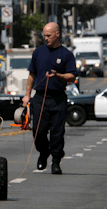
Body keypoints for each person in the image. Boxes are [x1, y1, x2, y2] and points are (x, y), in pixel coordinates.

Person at [22, 22, 78, 174]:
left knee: (57, 133)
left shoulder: (66, 54)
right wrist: (27, 95)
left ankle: (56, 161)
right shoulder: (38, 53)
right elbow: (31, 74)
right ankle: (43, 152)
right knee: (39, 131)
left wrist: (58, 75)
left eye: (48, 36)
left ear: (57, 34)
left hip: (58, 98)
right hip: (40, 98)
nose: (45, 38)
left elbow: (72, 77)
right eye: (44, 36)